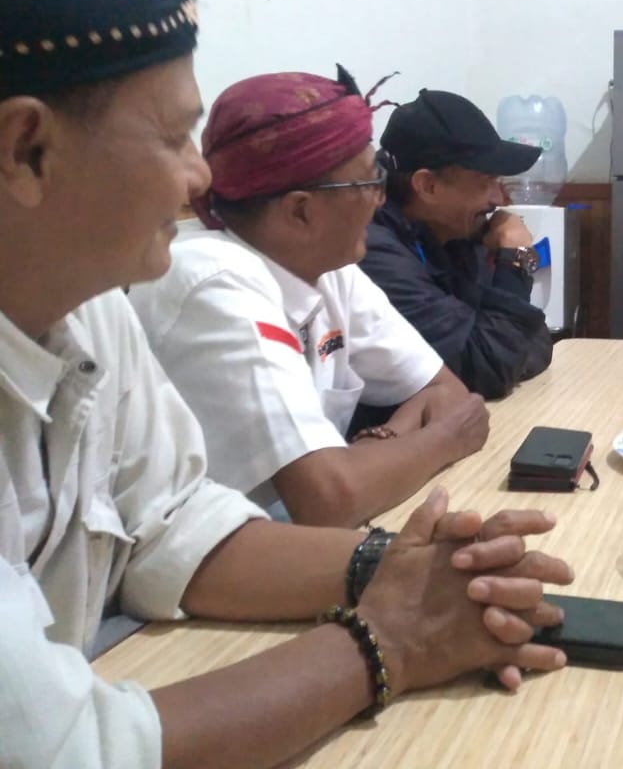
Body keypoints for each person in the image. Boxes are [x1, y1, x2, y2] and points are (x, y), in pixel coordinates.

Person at [0, 0, 571, 768]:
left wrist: (398, 568)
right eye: (173, 136)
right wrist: (389, 639)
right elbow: (68, 751)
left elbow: (173, 529)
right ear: (27, 150)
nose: (201, 178)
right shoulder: (204, 275)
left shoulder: (89, 307)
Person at [128, 68, 490, 528]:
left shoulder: (330, 267)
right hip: (197, 559)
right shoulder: (215, 281)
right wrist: (446, 439)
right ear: (301, 211)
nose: (380, 200)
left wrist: (375, 449)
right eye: (368, 183)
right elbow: (330, 501)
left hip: (281, 541)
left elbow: (445, 392)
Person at [359, 88, 553, 399]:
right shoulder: (374, 252)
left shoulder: (453, 233)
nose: (499, 199)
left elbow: (530, 340)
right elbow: (489, 365)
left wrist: (502, 356)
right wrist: (514, 257)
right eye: (486, 182)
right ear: (428, 186)